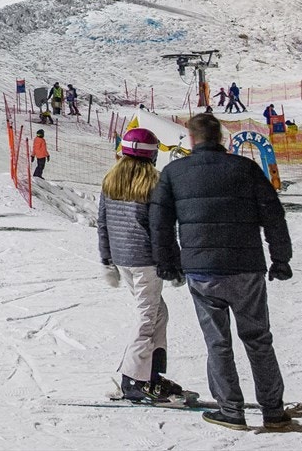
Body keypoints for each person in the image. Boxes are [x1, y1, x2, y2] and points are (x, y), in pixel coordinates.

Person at [151, 113, 293, 431]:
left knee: (217, 341)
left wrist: (167, 263)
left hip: (203, 271)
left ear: (191, 139)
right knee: (258, 339)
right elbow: (273, 214)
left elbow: (160, 223)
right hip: (246, 269)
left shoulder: (174, 172)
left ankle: (231, 410)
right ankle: (273, 410)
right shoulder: (246, 168)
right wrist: (280, 259)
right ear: (221, 138)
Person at [98, 127, 187, 403]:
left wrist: (107, 260)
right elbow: (162, 230)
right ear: (152, 155)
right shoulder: (154, 184)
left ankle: (151, 374)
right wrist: (173, 263)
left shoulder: (110, 180)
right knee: (147, 318)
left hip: (123, 259)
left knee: (158, 313)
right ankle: (133, 380)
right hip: (146, 261)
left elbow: (102, 223)